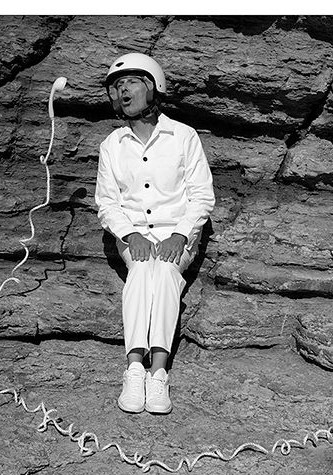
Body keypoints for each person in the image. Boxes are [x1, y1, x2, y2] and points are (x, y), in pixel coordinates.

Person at [94, 53, 215, 415]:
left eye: (131, 82)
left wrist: (180, 234)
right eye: (118, 86)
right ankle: (134, 369)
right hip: (133, 236)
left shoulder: (183, 136)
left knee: (163, 271)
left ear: (152, 86)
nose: (123, 90)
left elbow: (202, 196)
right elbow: (107, 203)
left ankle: (158, 373)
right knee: (141, 271)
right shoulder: (112, 145)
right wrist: (130, 235)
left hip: (178, 234)